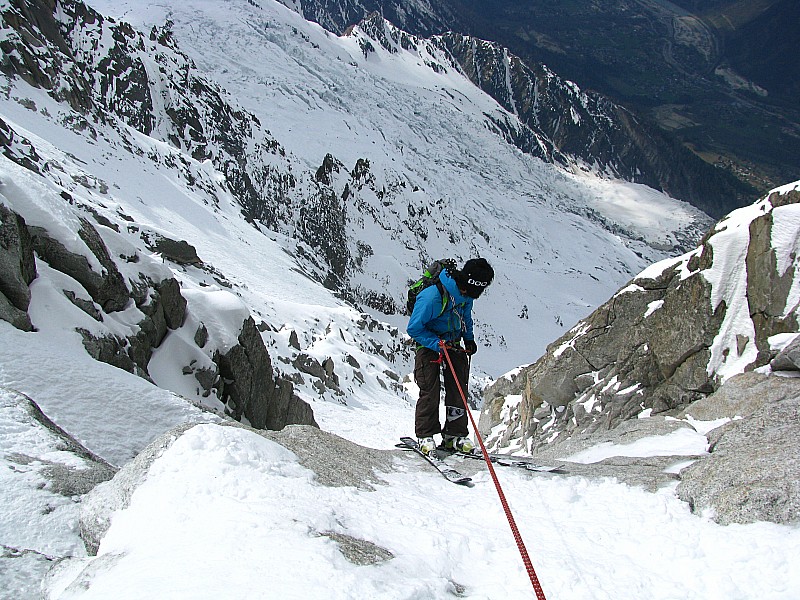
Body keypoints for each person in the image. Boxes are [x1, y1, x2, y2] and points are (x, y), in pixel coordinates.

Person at [407, 257, 494, 456]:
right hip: (428, 343)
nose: (471, 297)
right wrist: (436, 344)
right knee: (430, 388)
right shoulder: (432, 297)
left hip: (452, 342)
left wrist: (469, 339)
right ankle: (425, 435)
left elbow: (465, 317)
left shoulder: (467, 295)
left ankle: (454, 435)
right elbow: (414, 328)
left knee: (458, 388)